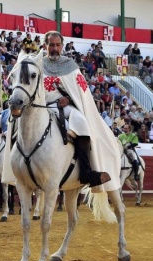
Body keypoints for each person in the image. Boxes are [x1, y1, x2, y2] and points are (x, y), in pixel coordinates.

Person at [34, 31, 120, 189]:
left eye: (58, 45)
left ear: (62, 46)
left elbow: (82, 92)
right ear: (45, 45)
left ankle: (86, 172)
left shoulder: (70, 65)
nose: (54, 48)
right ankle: (18, 167)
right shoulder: (37, 64)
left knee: (81, 122)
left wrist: (69, 99)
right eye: (51, 45)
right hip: (42, 108)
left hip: (65, 107)